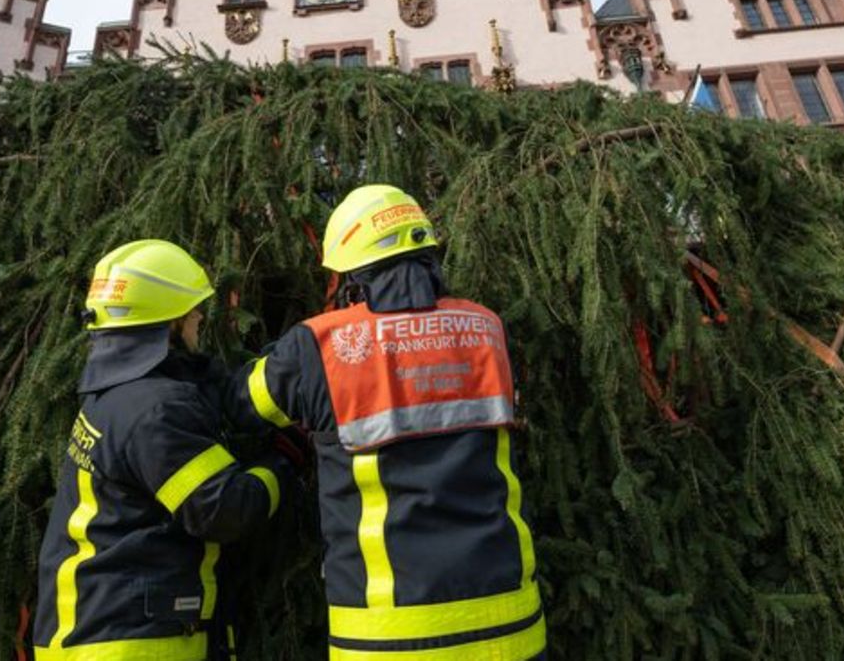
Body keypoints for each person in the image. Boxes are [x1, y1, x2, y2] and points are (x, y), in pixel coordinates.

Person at [229, 185, 546, 660]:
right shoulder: (487, 327)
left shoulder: (320, 346)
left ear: (354, 276)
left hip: (388, 636)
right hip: (512, 626)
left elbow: (243, 405)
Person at [34, 240, 291, 661]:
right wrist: (282, 464)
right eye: (190, 311)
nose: (199, 317)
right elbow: (222, 511)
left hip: (100, 633)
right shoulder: (157, 410)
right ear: (166, 323)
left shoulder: (116, 395)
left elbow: (201, 386)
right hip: (132, 642)